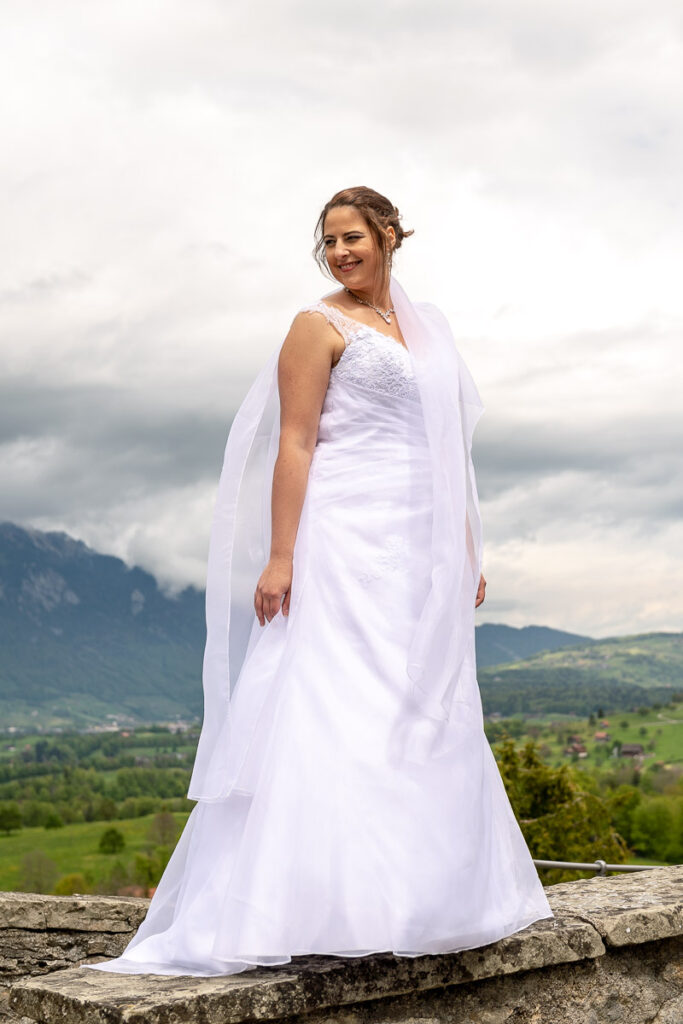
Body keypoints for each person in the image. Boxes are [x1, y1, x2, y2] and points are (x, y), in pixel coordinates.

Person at [82, 186, 554, 978]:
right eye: (327, 241)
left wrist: (464, 546)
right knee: (331, 701)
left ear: (389, 236)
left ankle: (421, 898)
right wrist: (280, 555)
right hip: (340, 534)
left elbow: (450, 453)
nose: (338, 252)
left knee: (417, 704)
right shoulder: (314, 326)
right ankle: (307, 904)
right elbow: (295, 443)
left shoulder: (428, 329)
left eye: (351, 238)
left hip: (416, 545)